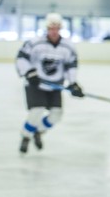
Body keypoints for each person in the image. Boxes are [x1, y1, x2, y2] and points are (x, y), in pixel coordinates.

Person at [15, 12, 84, 154]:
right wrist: (29, 72)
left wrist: (73, 83)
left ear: (60, 28)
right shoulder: (34, 42)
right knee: (37, 110)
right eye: (51, 28)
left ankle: (38, 132)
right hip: (36, 84)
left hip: (55, 86)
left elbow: (71, 65)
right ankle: (26, 136)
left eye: (56, 28)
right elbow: (21, 58)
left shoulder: (68, 46)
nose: (54, 31)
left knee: (56, 115)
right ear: (47, 28)